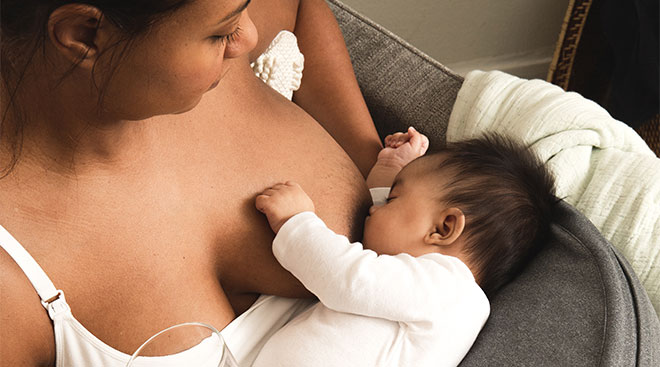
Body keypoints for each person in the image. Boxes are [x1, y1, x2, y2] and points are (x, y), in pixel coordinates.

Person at [0, 0, 383, 365]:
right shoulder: (13, 284)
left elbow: (298, 6)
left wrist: (381, 172)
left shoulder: (209, 35)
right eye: (220, 33)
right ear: (85, 34)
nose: (246, 36)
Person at [254, 128, 559, 366]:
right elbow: (380, 244)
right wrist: (390, 166)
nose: (374, 209)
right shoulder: (430, 289)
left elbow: (351, 278)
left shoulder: (452, 291)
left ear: (443, 228)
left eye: (393, 198)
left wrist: (296, 222)